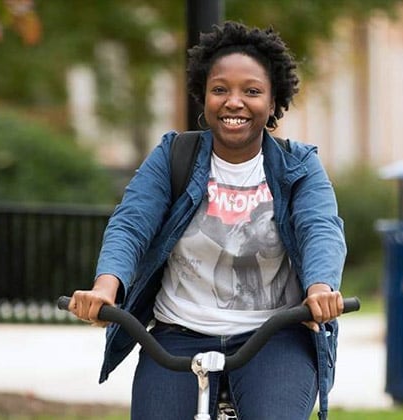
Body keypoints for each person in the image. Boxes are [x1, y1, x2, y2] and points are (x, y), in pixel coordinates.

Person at [66, 21, 347, 419]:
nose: (234, 102)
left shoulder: (298, 165)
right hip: (178, 334)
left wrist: (320, 289)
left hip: (273, 335)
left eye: (251, 91)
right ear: (204, 96)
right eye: (220, 90)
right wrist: (104, 287)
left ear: (272, 101)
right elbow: (132, 223)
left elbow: (320, 228)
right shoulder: (173, 155)